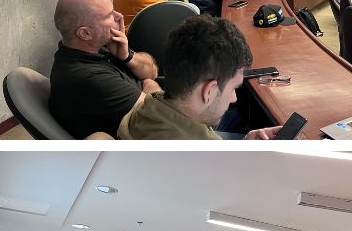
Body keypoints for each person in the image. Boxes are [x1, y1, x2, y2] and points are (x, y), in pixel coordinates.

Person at [116, 15, 283, 140]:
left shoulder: (144, 110)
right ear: (208, 91)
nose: (234, 98)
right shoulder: (211, 162)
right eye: (233, 88)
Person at [48, 0, 160, 138]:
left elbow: (152, 72)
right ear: (85, 33)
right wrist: (149, 85)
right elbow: (161, 119)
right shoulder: (87, 77)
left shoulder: (100, 46)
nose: (119, 16)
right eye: (109, 15)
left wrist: (127, 56)